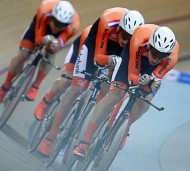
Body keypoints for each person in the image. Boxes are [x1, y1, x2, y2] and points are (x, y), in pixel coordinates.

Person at [38, 7, 145, 157]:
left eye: (130, 38)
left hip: (120, 54)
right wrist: (108, 60)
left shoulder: (138, 41)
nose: (126, 40)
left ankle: (87, 132)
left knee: (111, 91)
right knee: (76, 89)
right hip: (96, 46)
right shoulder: (108, 21)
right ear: (119, 28)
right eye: (124, 35)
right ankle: (51, 136)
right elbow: (97, 58)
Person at [73, 24, 180, 159]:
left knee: (146, 99)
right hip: (132, 57)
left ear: (168, 55)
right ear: (150, 46)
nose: (156, 58)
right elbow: (132, 76)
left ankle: (125, 127)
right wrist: (139, 81)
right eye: (155, 53)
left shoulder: (172, 57)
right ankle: (84, 143)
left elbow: (154, 81)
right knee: (115, 94)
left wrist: (149, 86)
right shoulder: (140, 39)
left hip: (150, 70)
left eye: (161, 56)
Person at [0, 0, 80, 103]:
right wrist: (43, 40)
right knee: (24, 54)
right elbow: (38, 38)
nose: (57, 27)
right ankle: (5, 86)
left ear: (67, 24)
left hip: (57, 36)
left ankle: (35, 86)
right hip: (40, 28)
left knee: (50, 55)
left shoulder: (74, 26)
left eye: (62, 25)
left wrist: (54, 45)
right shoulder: (44, 10)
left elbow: (59, 44)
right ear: (52, 17)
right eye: (56, 23)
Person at [33, 25, 91, 121]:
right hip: (80, 52)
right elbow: (82, 59)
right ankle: (46, 101)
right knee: (67, 80)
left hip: (98, 61)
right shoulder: (92, 33)